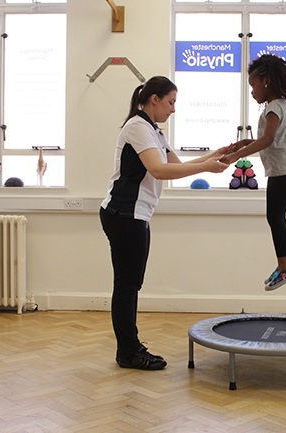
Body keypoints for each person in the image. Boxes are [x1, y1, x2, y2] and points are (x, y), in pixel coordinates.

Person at [100, 76, 229, 370]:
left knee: (130, 284)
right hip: (123, 214)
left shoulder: (154, 131)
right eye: (170, 102)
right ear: (154, 99)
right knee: (127, 285)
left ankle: (129, 349)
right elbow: (158, 171)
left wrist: (216, 156)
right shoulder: (137, 127)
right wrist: (208, 166)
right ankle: (129, 352)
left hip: (134, 215)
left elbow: (177, 167)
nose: (173, 109)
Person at [221, 54, 286, 291]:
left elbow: (268, 139)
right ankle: (283, 266)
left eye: (253, 85)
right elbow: (269, 139)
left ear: (266, 82)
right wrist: (243, 143)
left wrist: (235, 156)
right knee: (275, 217)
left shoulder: (274, 107)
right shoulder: (277, 106)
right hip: (285, 169)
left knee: (275, 217)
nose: (252, 91)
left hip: (284, 169)